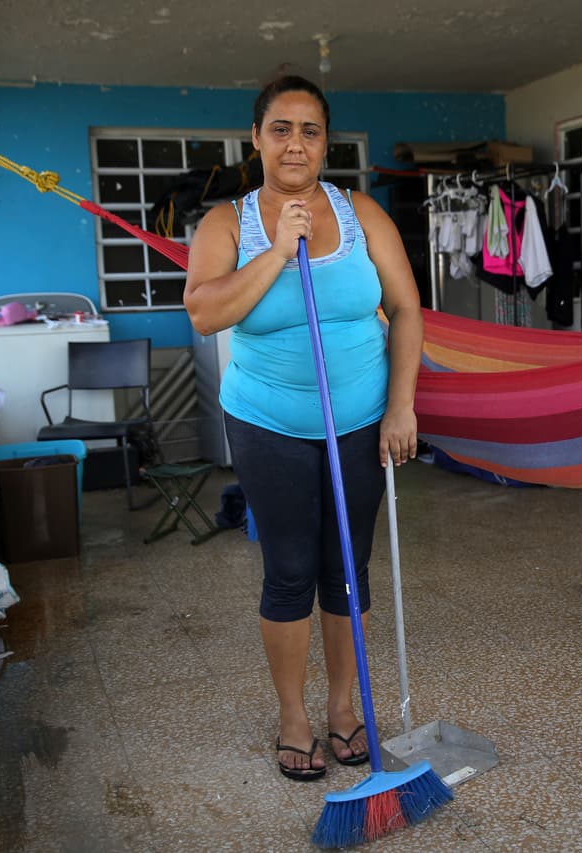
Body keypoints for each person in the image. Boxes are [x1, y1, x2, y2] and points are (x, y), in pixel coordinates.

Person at [184, 76, 424, 779]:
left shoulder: (362, 214)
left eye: (310, 130)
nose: (295, 143)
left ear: (326, 142)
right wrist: (277, 249)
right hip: (270, 422)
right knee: (289, 570)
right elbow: (203, 312)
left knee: (347, 568)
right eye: (281, 129)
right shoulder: (228, 223)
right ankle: (294, 717)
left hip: (359, 420)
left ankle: (345, 706)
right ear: (256, 139)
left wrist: (401, 405)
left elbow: (408, 309)